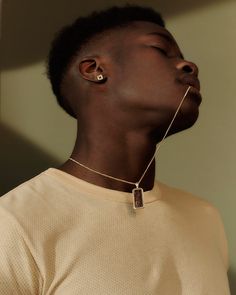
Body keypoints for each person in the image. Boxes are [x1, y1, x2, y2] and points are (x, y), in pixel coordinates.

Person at [0, 5, 231, 294]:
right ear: (95, 70)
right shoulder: (14, 224)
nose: (189, 66)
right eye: (161, 49)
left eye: (183, 57)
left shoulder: (204, 218)